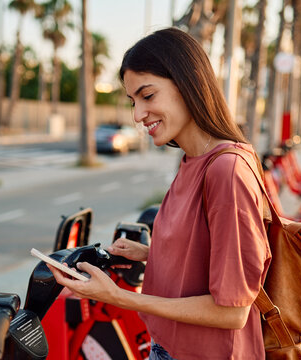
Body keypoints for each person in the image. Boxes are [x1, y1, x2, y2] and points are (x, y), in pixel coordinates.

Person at [48, 27, 271, 359]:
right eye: (133, 101)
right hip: (169, 346)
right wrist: (148, 254)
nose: (138, 115)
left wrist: (115, 296)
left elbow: (232, 310)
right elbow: (211, 263)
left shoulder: (227, 170)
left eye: (148, 96)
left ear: (188, 84)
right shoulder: (194, 160)